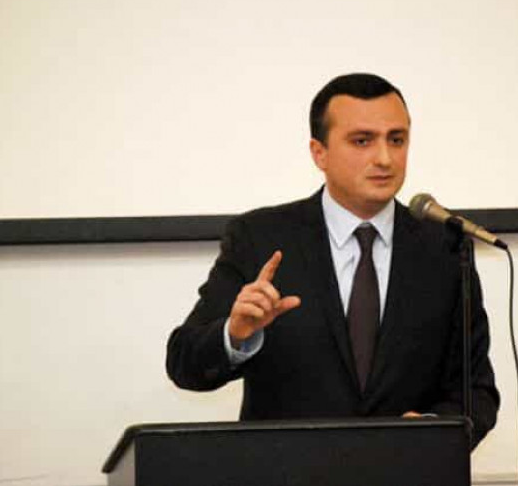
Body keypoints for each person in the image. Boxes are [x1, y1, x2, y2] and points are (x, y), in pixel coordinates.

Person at [166, 73, 499, 448]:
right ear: (318, 152)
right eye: (362, 141)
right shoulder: (259, 237)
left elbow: (476, 390)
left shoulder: (444, 248)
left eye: (396, 139)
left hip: (404, 469)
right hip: (287, 469)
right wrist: (236, 333)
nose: (385, 158)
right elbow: (184, 363)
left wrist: (435, 431)